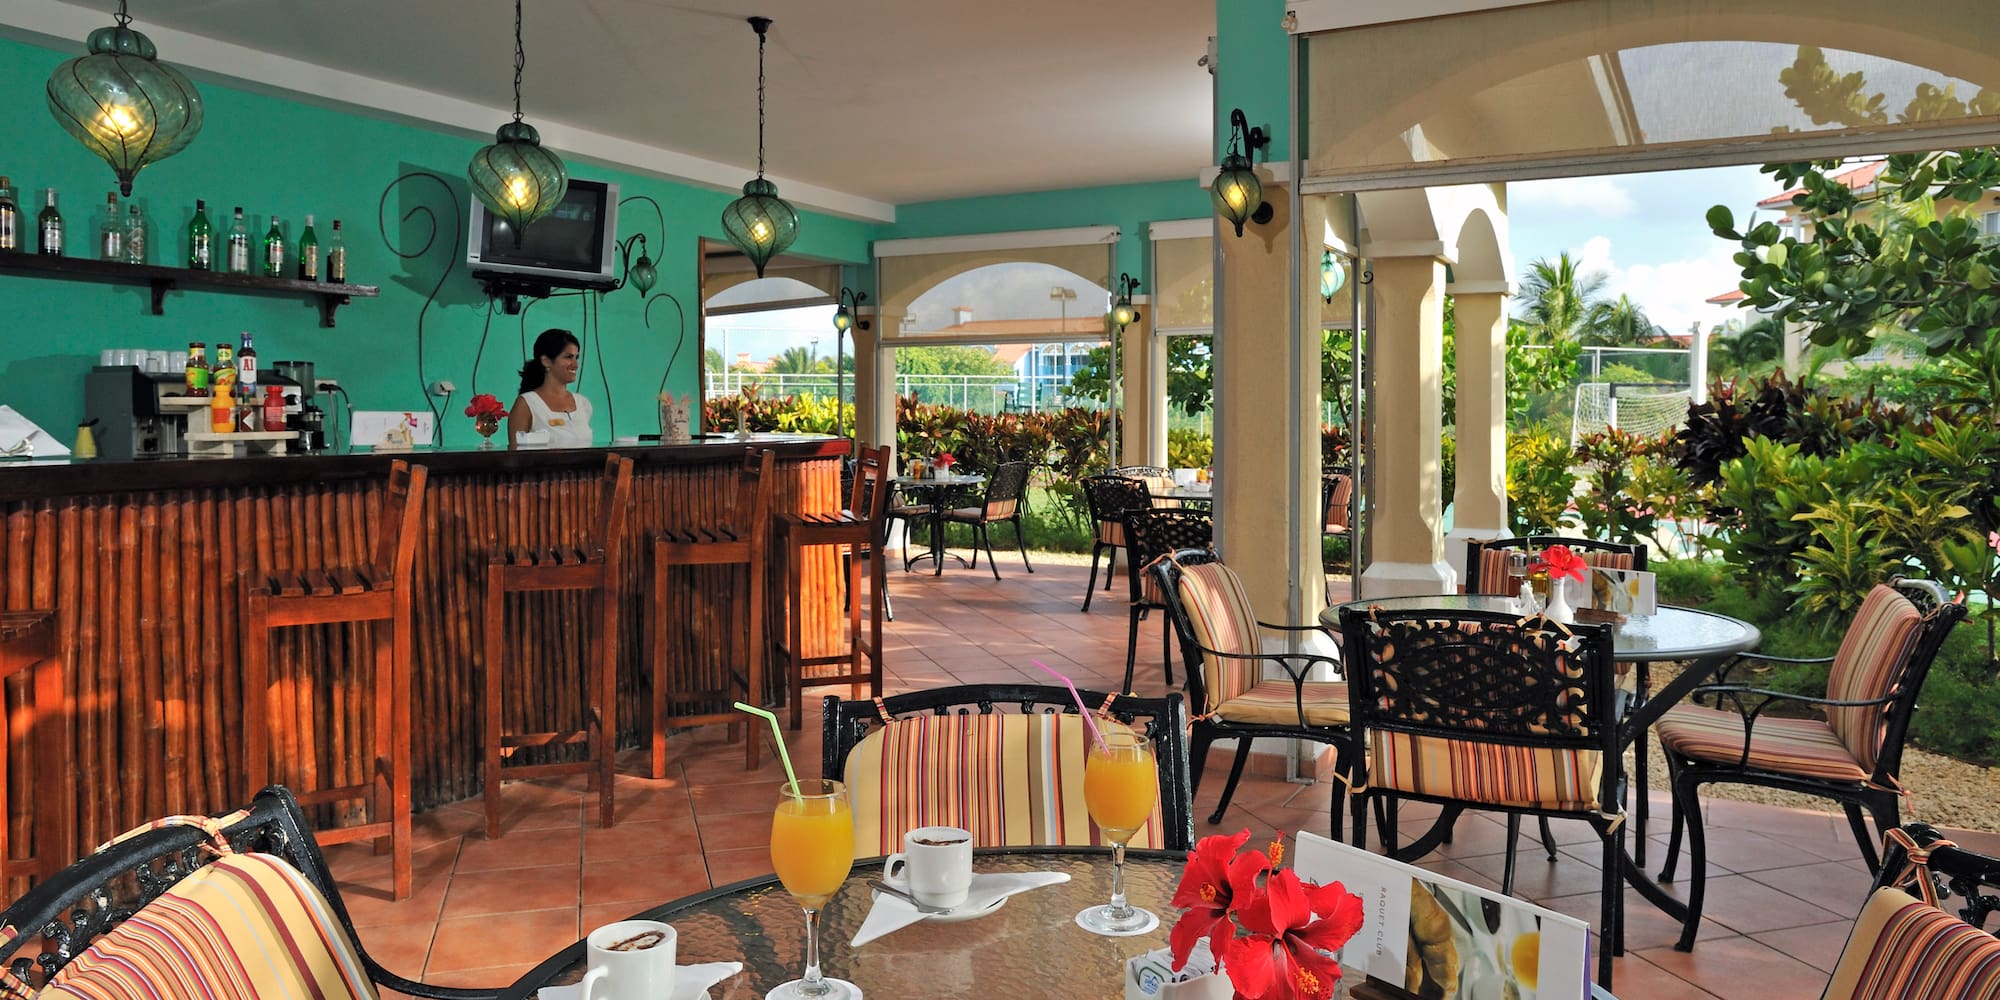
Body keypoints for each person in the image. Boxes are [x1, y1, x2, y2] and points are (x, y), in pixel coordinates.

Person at [508, 328, 594, 449]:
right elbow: (515, 454)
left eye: (576, 357)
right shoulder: (527, 403)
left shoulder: (583, 404)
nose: (575, 365)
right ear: (546, 361)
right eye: (568, 357)